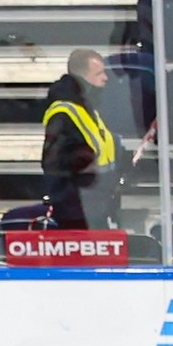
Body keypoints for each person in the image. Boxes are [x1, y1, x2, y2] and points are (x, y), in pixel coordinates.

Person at [42, 48, 118, 231]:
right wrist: (83, 160)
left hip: (97, 207)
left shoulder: (89, 108)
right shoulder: (64, 112)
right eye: (99, 74)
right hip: (78, 213)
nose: (105, 78)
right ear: (82, 78)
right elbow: (55, 162)